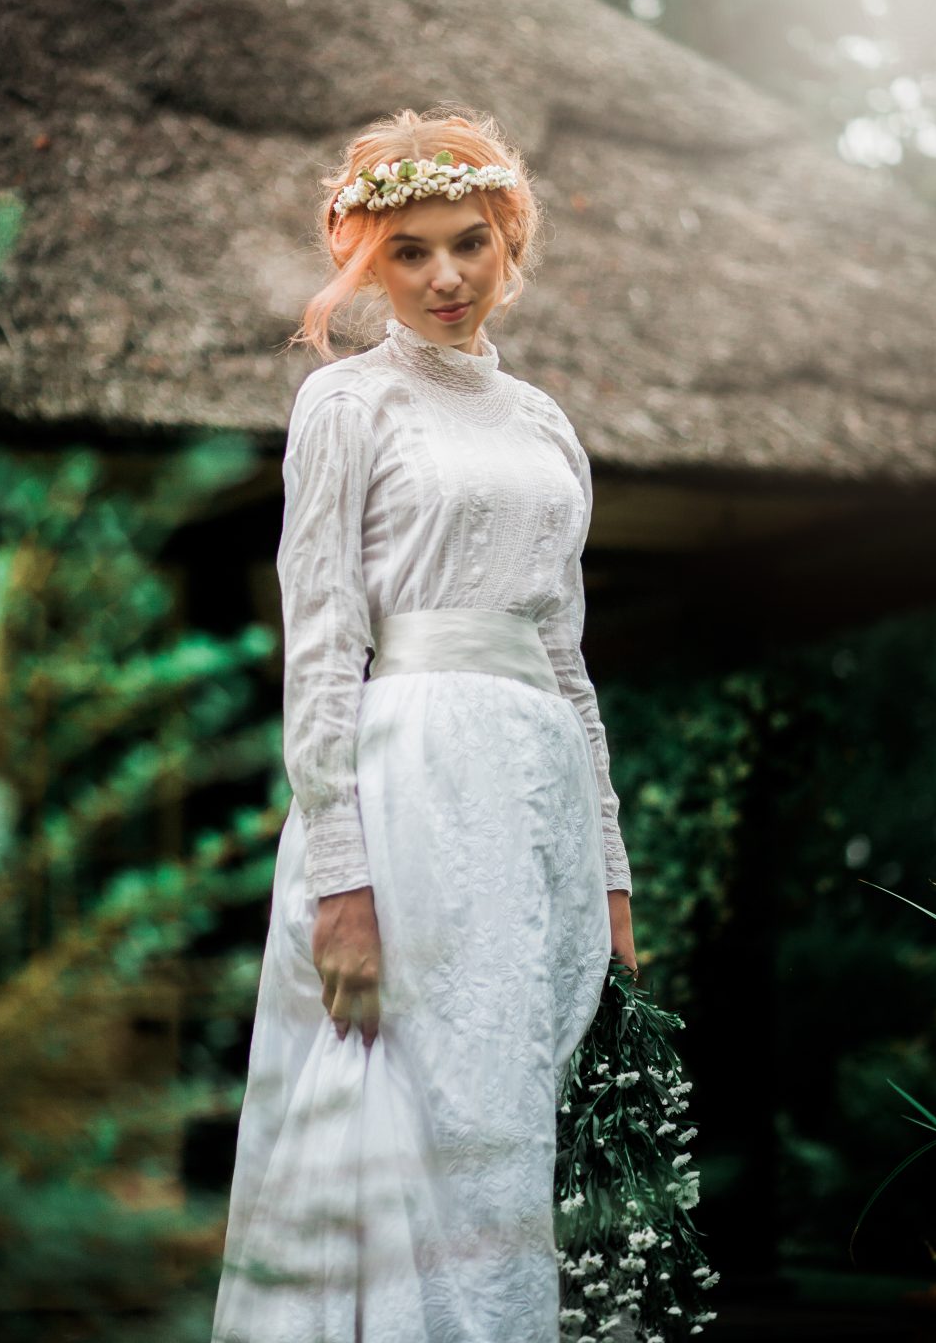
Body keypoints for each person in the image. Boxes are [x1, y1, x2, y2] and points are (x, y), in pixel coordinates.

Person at [211, 106, 638, 1343]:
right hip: (404, 788)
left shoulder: (545, 423)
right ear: (364, 260)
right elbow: (321, 643)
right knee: (407, 1097)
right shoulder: (346, 406)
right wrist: (340, 884)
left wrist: (607, 870)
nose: (445, 276)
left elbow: (565, 655)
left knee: (507, 1112)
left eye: (469, 242)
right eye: (409, 252)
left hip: (536, 803)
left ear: (509, 240)